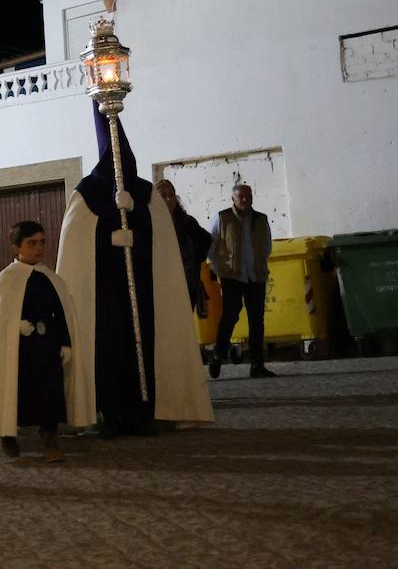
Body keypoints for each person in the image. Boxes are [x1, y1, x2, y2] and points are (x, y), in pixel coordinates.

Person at [55, 102, 213, 437]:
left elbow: (163, 243)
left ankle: (146, 411)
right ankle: (109, 413)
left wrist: (137, 229)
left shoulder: (144, 193)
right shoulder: (87, 194)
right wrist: (108, 235)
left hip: (143, 293)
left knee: (146, 349)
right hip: (103, 298)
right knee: (108, 353)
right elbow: (76, 246)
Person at [0, 221, 93, 462]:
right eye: (32, 243)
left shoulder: (51, 278)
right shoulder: (7, 279)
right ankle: (7, 434)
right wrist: (15, 325)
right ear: (16, 247)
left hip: (47, 348)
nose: (39, 248)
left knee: (50, 391)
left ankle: (50, 434)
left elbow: (62, 313)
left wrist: (65, 342)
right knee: (16, 390)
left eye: (42, 242)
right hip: (18, 350)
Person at [208, 184, 275, 379]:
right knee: (229, 317)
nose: (245, 200)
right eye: (241, 197)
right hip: (232, 276)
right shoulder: (222, 218)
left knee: (257, 321)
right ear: (233, 199)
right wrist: (218, 267)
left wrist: (259, 263)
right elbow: (212, 244)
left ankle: (257, 365)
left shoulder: (261, 219)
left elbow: (267, 246)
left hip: (256, 276)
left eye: (248, 196)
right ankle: (218, 355)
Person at [155, 180, 212, 315]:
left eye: (171, 194)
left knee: (185, 322)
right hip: (162, 285)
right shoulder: (151, 223)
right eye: (163, 195)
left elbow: (206, 240)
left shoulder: (187, 222)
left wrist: (196, 259)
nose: (168, 199)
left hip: (187, 283)